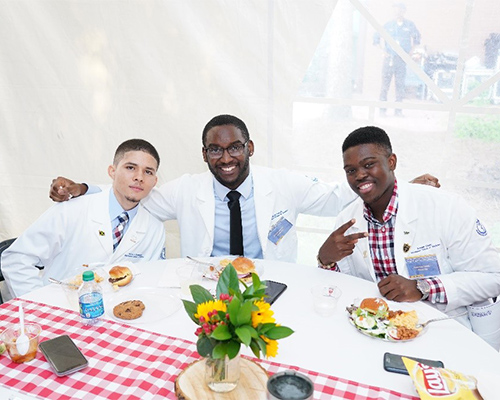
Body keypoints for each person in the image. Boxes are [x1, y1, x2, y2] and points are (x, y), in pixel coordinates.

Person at [49, 115, 438, 263]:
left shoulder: (283, 183)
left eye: (234, 147)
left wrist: (398, 186)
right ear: (204, 155)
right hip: (208, 287)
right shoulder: (186, 190)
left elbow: (341, 193)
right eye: (215, 150)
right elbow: (132, 192)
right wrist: (84, 188)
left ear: (249, 148)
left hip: (273, 287)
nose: (226, 158)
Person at [317, 126, 500, 329]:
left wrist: (423, 288)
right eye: (351, 171)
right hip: (376, 329)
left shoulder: (446, 206)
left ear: (391, 162)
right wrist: (326, 260)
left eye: (369, 165)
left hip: (441, 327)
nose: (359, 175)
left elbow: (492, 276)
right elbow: (346, 287)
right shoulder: (348, 220)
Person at [2, 139, 166, 297]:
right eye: (130, 167)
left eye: (148, 172)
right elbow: (16, 259)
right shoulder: (71, 210)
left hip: (117, 315)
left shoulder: (155, 229)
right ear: (112, 171)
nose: (139, 177)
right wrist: (40, 305)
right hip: (60, 308)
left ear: (155, 181)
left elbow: (150, 279)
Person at [373, 2, 420, 117]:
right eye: (394, 9)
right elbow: (376, 38)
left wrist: (410, 52)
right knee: (385, 85)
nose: (396, 12)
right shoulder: (388, 25)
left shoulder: (409, 25)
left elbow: (417, 38)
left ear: (404, 11)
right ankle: (382, 110)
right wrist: (383, 51)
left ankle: (398, 111)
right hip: (389, 59)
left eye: (399, 9)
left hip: (401, 61)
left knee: (400, 85)